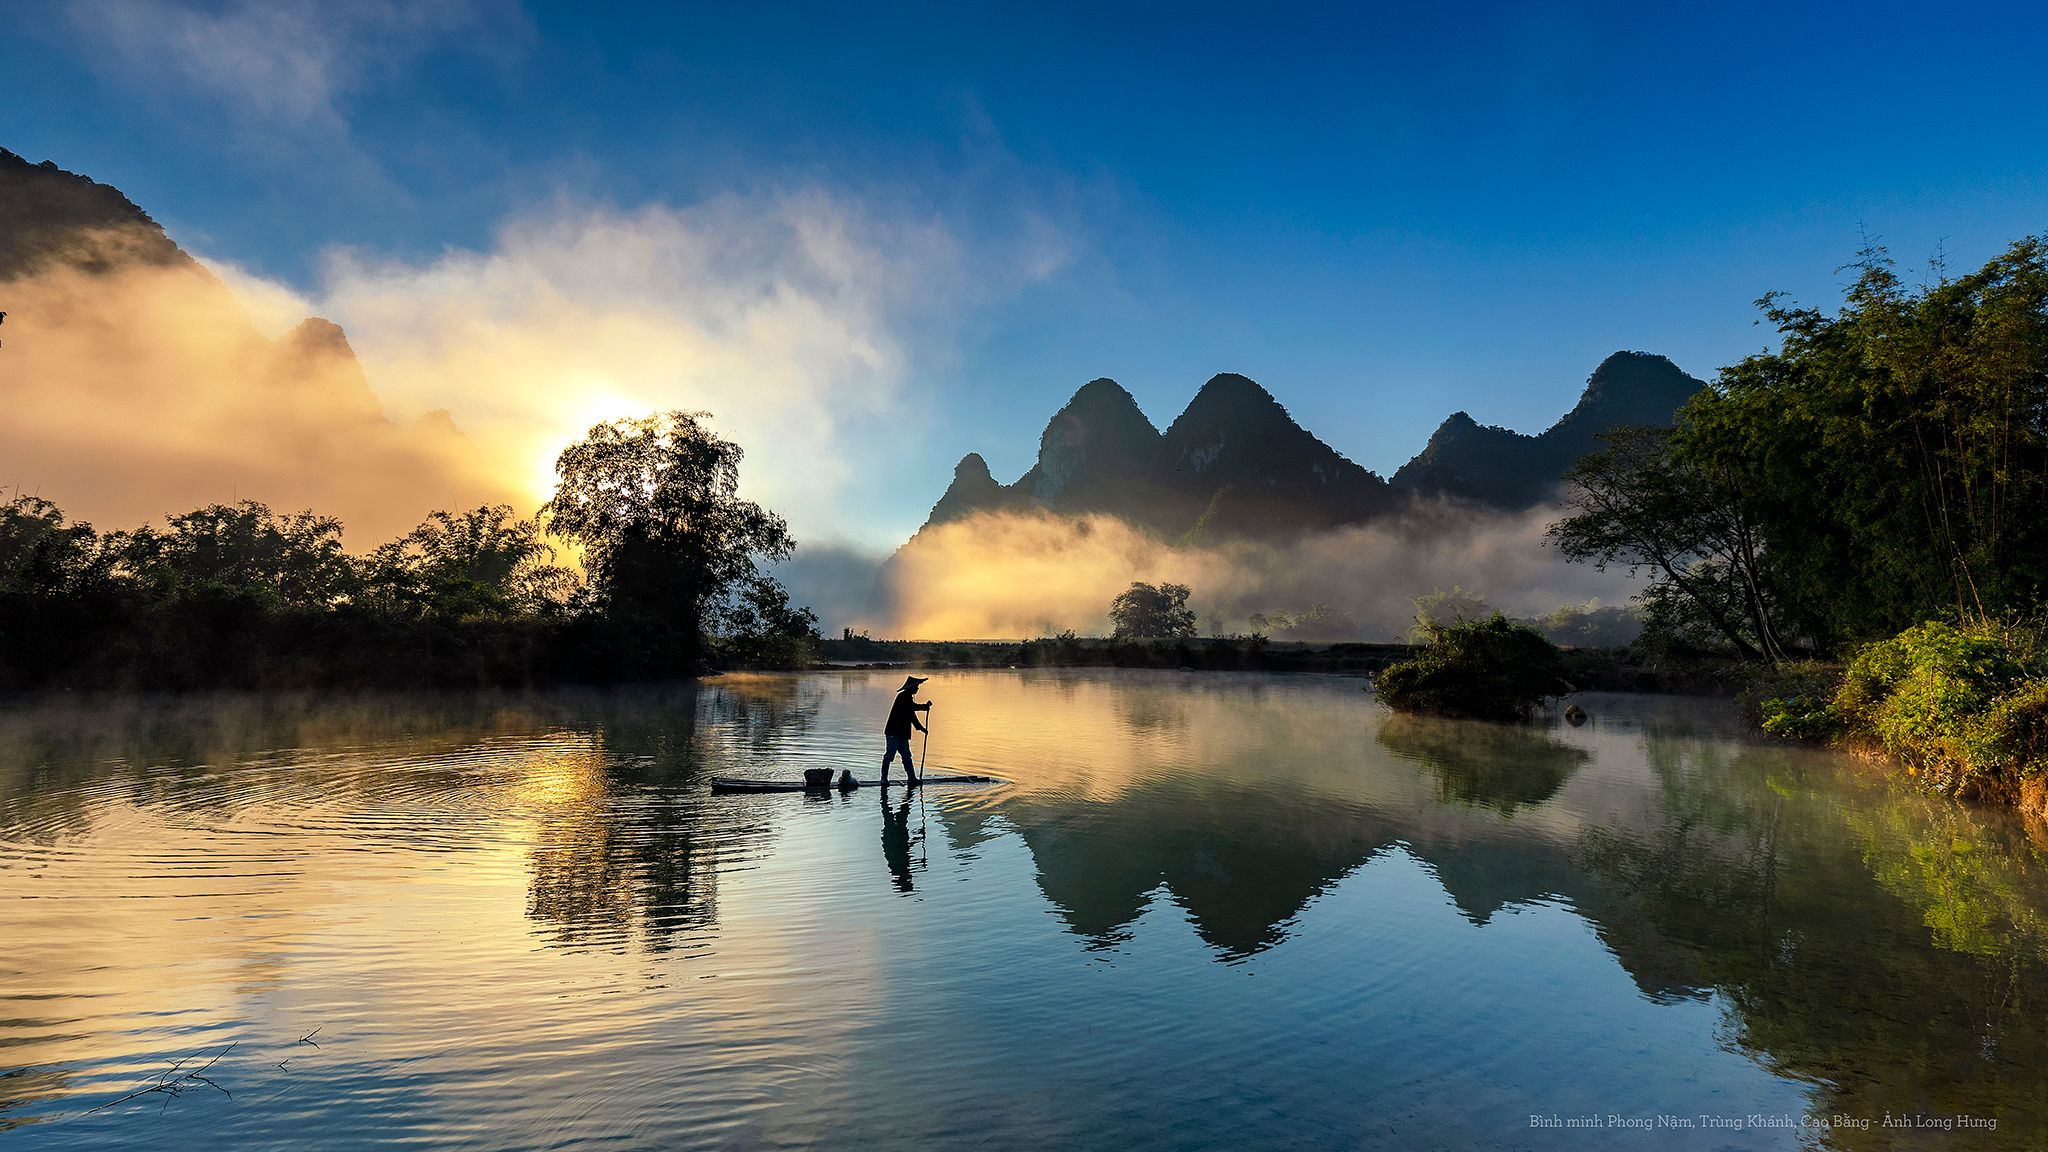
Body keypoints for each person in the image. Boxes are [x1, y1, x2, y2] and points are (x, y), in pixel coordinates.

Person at [881, 674, 931, 785]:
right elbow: (912, 708)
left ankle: (912, 778)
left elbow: (912, 716)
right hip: (893, 732)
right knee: (889, 755)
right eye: (916, 686)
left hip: (902, 733)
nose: (917, 688)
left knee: (907, 756)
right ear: (911, 687)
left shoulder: (907, 698)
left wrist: (922, 728)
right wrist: (924, 707)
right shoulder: (902, 697)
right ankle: (884, 779)